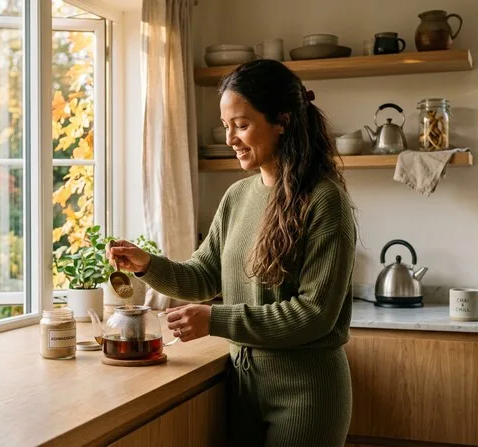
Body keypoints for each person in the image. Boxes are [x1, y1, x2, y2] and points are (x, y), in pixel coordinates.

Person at [107, 59, 356, 447]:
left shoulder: (326, 202)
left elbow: (314, 315)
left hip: (307, 396)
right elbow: (203, 277)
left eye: (241, 125)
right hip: (243, 388)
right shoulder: (237, 196)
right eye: (227, 126)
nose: (230, 139)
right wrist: (147, 265)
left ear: (282, 121)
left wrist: (215, 320)